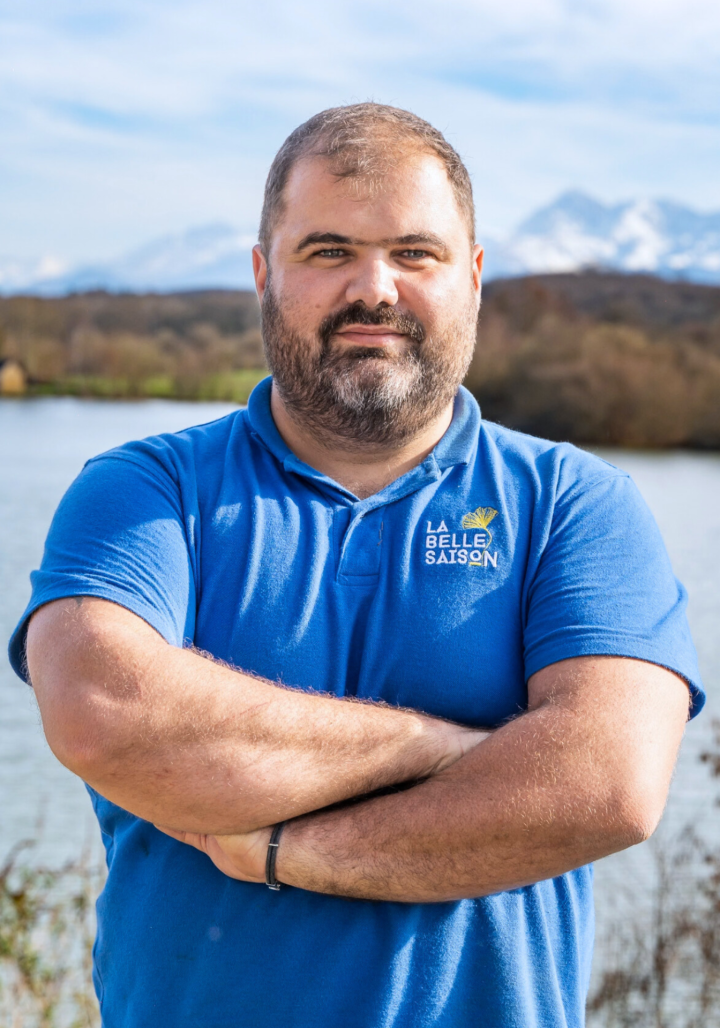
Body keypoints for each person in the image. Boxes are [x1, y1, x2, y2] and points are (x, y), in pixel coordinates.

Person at [10, 103, 703, 1028]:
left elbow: (607, 786)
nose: (374, 288)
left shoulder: (576, 504)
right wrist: (459, 755)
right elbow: (108, 719)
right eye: (328, 251)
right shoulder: (146, 491)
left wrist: (281, 851)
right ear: (264, 273)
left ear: (475, 278)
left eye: (416, 253)